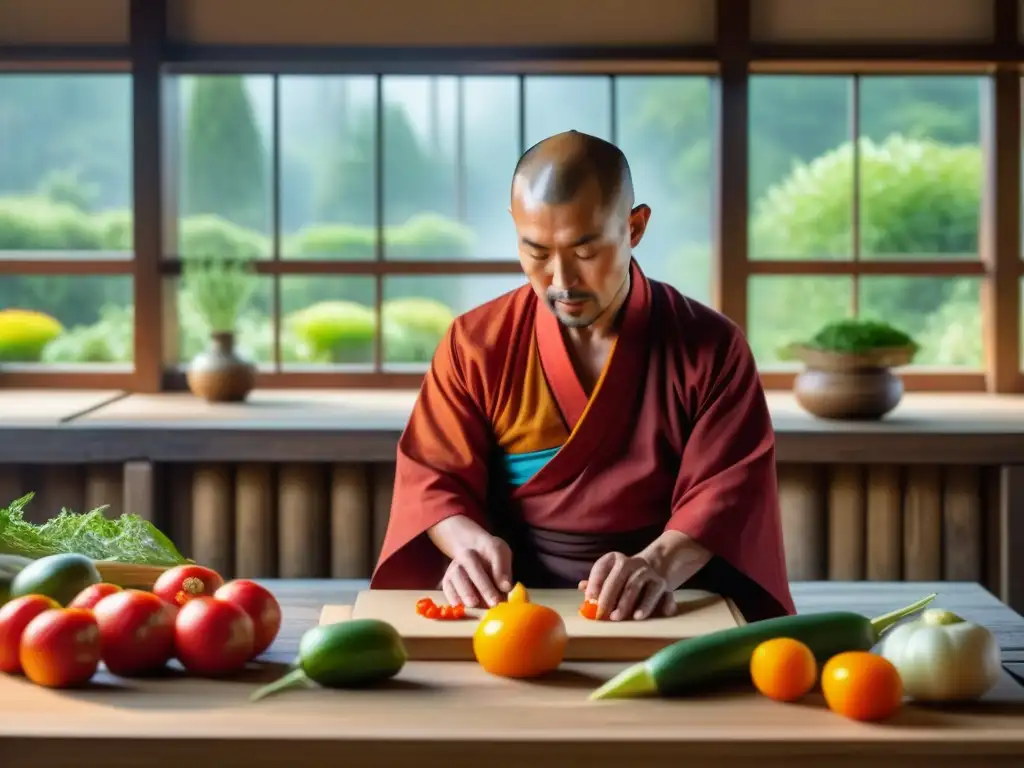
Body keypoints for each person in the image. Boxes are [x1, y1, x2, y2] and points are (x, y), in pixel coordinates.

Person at [370, 130, 795, 623]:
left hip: (662, 602)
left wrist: (655, 565)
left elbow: (727, 492)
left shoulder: (711, 348)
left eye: (586, 252)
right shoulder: (476, 344)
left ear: (635, 228)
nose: (561, 281)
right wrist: (469, 544)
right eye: (537, 252)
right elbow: (432, 476)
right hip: (512, 608)